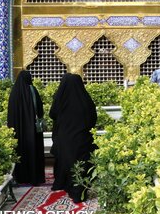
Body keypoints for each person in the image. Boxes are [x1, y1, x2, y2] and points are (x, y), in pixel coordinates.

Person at [49, 73, 97, 203]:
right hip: (82, 138)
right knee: (80, 163)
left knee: (66, 161)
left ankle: (65, 184)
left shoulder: (60, 99)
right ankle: (79, 191)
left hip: (64, 138)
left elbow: (52, 113)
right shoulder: (85, 99)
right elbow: (93, 118)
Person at [7, 70, 45, 186]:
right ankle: (34, 177)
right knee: (33, 151)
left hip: (18, 131)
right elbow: (39, 109)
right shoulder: (32, 91)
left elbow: (10, 114)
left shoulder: (14, 93)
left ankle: (20, 177)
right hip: (32, 131)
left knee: (20, 151)